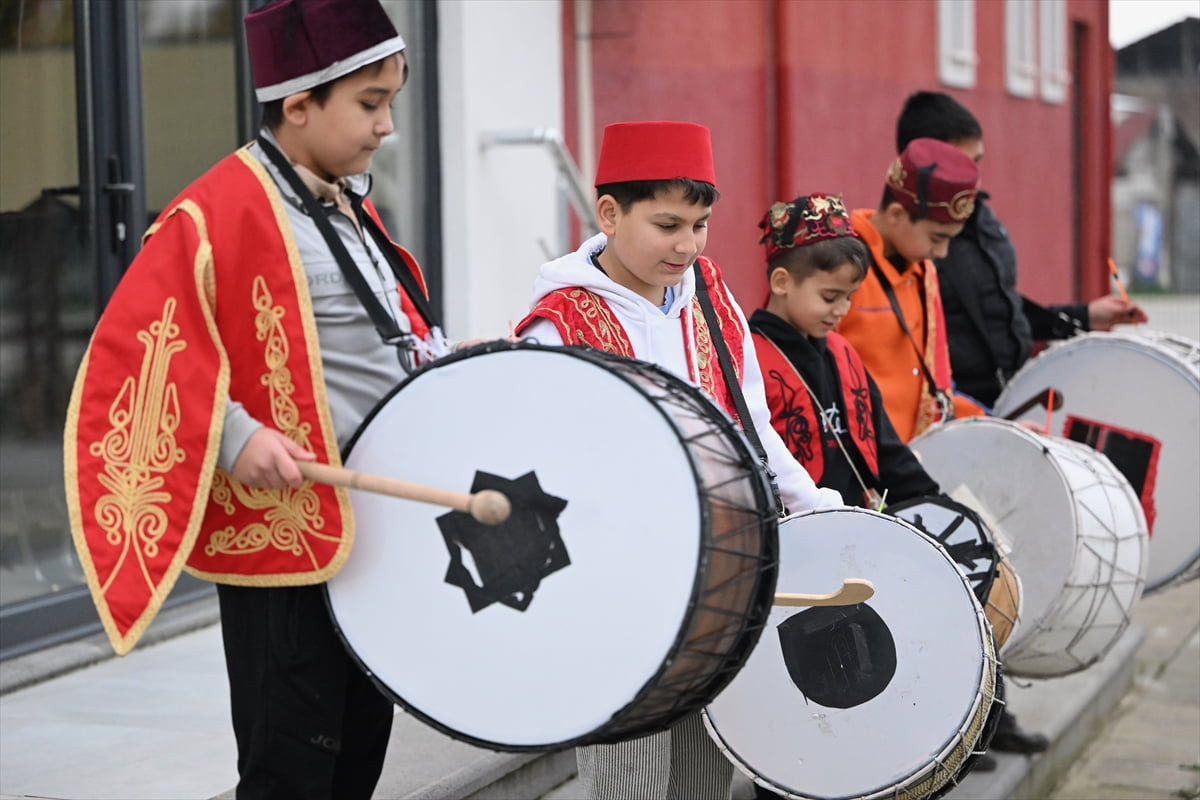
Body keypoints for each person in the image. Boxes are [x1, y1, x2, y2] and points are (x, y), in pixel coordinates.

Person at [63, 1, 449, 797]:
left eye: (391, 104)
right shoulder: (213, 212)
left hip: (368, 532)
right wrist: (236, 434)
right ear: (298, 103)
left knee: (357, 758)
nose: (386, 127)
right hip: (287, 542)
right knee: (290, 769)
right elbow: (138, 353)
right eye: (369, 105)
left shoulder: (348, 202)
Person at [514, 120, 844, 799]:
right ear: (609, 214)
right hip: (615, 588)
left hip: (718, 569)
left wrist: (812, 506)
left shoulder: (710, 294)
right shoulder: (560, 325)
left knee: (704, 770)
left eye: (700, 224)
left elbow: (750, 420)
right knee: (627, 776)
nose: (687, 245)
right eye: (667, 224)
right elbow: (542, 470)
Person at [746, 192, 1003, 781]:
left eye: (848, 299)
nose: (840, 312)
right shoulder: (750, 359)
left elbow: (885, 448)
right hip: (798, 562)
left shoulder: (840, 354)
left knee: (864, 698)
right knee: (801, 701)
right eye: (829, 297)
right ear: (782, 281)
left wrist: (939, 509)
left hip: (859, 551)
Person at [895, 90, 1148, 409]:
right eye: (964, 164)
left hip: (1014, 395)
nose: (973, 178)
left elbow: (1001, 308)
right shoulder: (909, 243)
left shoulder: (982, 216)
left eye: (977, 162)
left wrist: (1083, 317)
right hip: (958, 410)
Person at [836, 137, 987, 443]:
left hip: (917, 459)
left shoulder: (924, 272)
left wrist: (1000, 428)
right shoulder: (834, 263)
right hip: (858, 462)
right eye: (936, 238)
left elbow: (939, 386)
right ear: (895, 215)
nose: (942, 252)